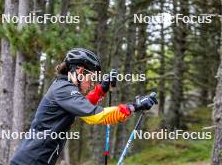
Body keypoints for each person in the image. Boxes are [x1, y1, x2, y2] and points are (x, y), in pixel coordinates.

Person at [10, 48, 158, 165]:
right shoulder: (63, 89)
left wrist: (101, 89)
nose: (92, 83)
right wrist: (133, 107)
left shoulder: (64, 87)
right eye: (91, 78)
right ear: (80, 72)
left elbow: (84, 106)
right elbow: (94, 116)